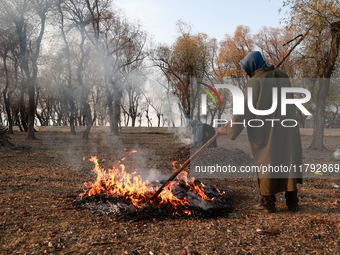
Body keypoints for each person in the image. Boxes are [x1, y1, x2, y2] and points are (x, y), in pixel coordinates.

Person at [216, 51, 302, 213]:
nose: (246, 73)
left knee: (268, 163)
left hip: (266, 131)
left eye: (246, 69)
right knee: (287, 162)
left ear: (251, 67)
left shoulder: (255, 82)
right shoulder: (282, 75)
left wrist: (227, 129)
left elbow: (244, 111)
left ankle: (269, 204)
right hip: (287, 129)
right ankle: (293, 203)